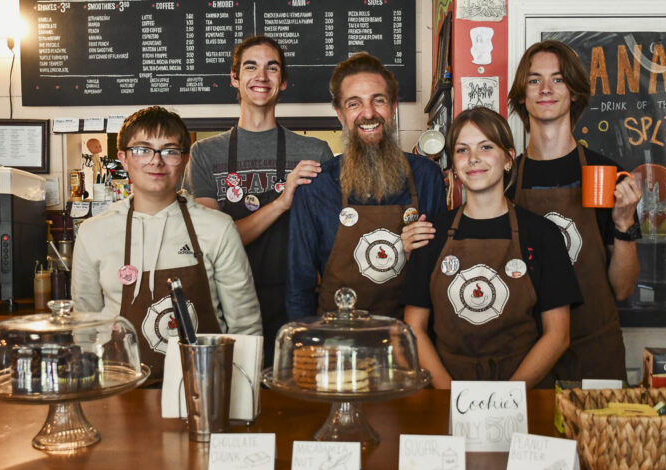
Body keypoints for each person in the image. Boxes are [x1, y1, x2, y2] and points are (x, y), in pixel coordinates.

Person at [73, 106, 262, 381]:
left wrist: (243, 396)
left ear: (184, 159)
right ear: (123, 159)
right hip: (119, 392)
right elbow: (85, 326)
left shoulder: (218, 228)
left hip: (205, 389)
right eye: (142, 149)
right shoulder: (93, 233)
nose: (156, 161)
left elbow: (245, 325)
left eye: (169, 150)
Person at [402, 107, 580, 389]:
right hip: (445, 390)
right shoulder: (431, 234)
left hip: (525, 393)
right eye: (462, 150)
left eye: (486, 147)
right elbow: (414, 328)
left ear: (509, 159)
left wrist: (507, 397)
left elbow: (558, 335)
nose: (473, 159)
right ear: (454, 168)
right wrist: (450, 394)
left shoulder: (543, 235)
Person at [185, 35, 333, 366]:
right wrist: (281, 202)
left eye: (272, 68)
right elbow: (214, 243)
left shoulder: (314, 152)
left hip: (295, 302)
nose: (261, 77)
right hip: (227, 303)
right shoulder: (205, 154)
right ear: (235, 78)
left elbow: (327, 241)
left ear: (283, 82)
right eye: (251, 67)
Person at [507, 40, 642, 381]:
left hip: (594, 351)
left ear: (575, 93)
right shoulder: (505, 179)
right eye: (535, 80)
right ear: (522, 95)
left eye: (558, 79)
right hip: (524, 352)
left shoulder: (604, 174)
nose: (546, 89)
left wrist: (624, 223)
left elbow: (623, 289)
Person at [286, 52, 446, 320]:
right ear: (340, 114)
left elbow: (442, 270)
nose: (368, 113)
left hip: (407, 338)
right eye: (354, 104)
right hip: (336, 340)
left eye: (378, 100)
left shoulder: (426, 176)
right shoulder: (316, 186)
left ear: (393, 106)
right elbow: (298, 285)